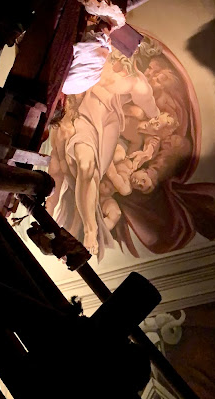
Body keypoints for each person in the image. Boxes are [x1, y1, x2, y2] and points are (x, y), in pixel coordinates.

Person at [54, 50, 160, 256]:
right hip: (84, 118)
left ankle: (90, 229)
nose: (120, 56)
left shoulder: (136, 83)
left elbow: (152, 111)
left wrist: (150, 138)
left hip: (109, 124)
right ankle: (90, 229)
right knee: (85, 166)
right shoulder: (99, 59)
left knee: (92, 172)